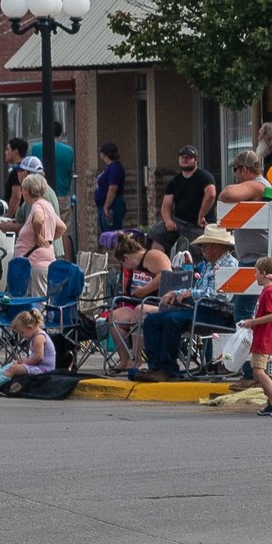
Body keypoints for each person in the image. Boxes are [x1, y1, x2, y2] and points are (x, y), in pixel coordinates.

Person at [136, 224, 240, 378]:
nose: (202, 250)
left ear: (216, 247)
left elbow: (224, 296)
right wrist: (176, 293)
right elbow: (197, 288)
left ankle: (168, 369)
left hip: (218, 313)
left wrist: (189, 294)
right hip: (199, 309)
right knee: (152, 320)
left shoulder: (231, 265)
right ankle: (156, 367)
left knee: (173, 320)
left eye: (204, 247)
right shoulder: (208, 265)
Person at [104, 228, 171, 370]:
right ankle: (124, 359)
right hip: (142, 303)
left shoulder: (152, 256)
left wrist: (145, 290)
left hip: (162, 303)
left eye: (123, 264)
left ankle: (136, 358)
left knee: (139, 312)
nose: (126, 268)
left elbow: (166, 275)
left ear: (126, 258)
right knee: (115, 316)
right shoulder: (136, 265)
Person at [244, 256, 272, 414]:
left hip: (264, 337)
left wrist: (252, 322)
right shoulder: (269, 290)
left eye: (256, 272)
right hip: (262, 336)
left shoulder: (270, 291)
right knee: (258, 370)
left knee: (258, 371)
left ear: (263, 273)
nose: (254, 276)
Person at [0, 308, 56, 395]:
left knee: (14, 368)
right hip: (39, 366)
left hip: (44, 369)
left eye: (22, 333)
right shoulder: (35, 336)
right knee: (13, 364)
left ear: (29, 328)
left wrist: (23, 362)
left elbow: (39, 358)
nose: (22, 336)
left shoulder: (39, 338)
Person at [159, 143, 215, 247]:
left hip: (199, 225)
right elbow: (166, 205)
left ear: (196, 160)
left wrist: (201, 216)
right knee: (157, 234)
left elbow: (211, 194)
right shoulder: (174, 181)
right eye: (182, 157)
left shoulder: (204, 176)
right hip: (179, 222)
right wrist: (168, 221)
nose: (185, 159)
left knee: (193, 246)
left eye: (189, 157)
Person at [13, 170, 63, 280]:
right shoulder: (48, 205)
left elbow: (38, 220)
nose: (22, 192)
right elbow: (62, 227)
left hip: (35, 263)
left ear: (28, 191)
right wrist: (48, 239)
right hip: (42, 261)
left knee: (36, 297)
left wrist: (38, 236)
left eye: (23, 189)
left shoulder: (37, 205)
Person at [93, 140, 127, 240]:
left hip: (113, 205)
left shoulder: (115, 168)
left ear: (105, 154)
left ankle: (117, 254)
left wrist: (106, 206)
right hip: (103, 205)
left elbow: (113, 188)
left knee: (113, 235)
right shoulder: (109, 168)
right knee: (107, 235)